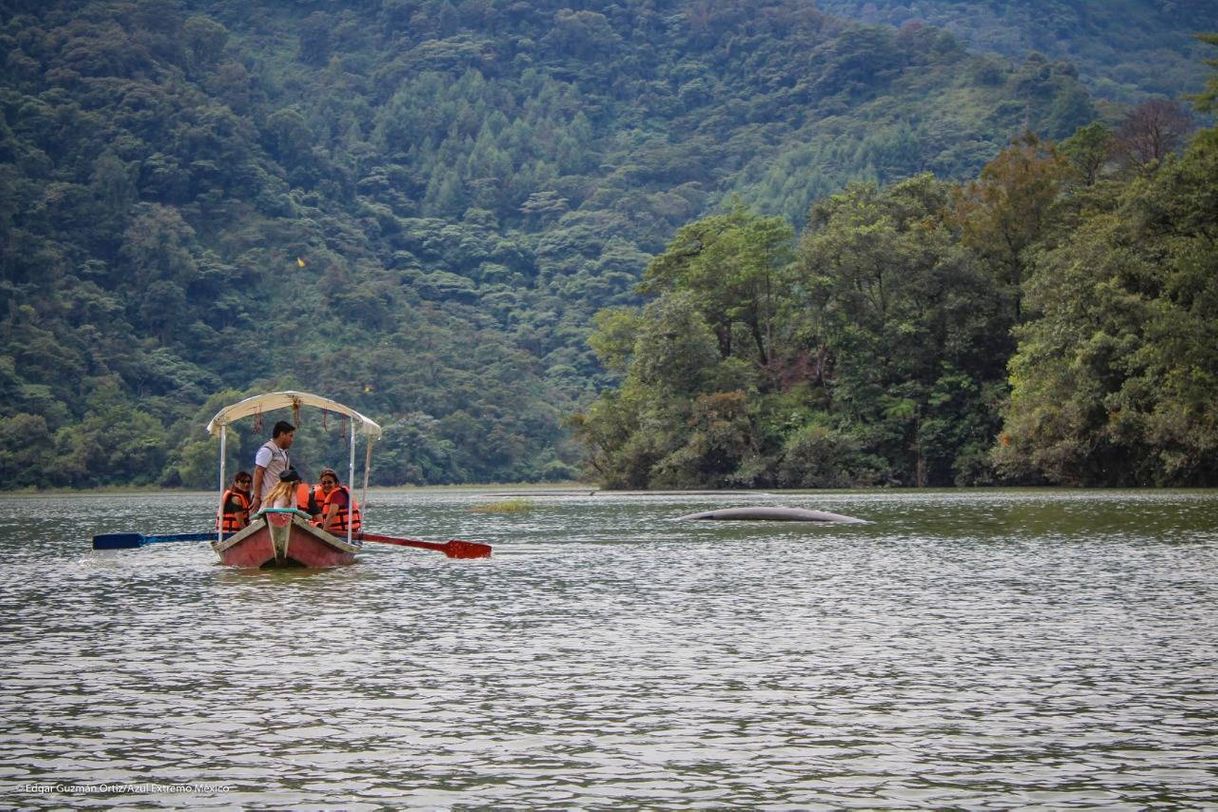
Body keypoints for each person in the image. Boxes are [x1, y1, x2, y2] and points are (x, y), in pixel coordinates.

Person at [250, 420, 295, 515]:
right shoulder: (267, 450)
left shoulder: (283, 452)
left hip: (281, 496)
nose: (292, 440)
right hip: (269, 498)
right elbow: (258, 472)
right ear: (282, 434)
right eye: (290, 436)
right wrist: (257, 497)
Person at [312, 467, 362, 535]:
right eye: (324, 483)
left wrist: (323, 534)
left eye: (329, 482)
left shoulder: (337, 494)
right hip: (341, 532)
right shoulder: (319, 494)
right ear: (321, 484)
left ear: (336, 483)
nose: (326, 485)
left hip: (344, 535)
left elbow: (332, 514)